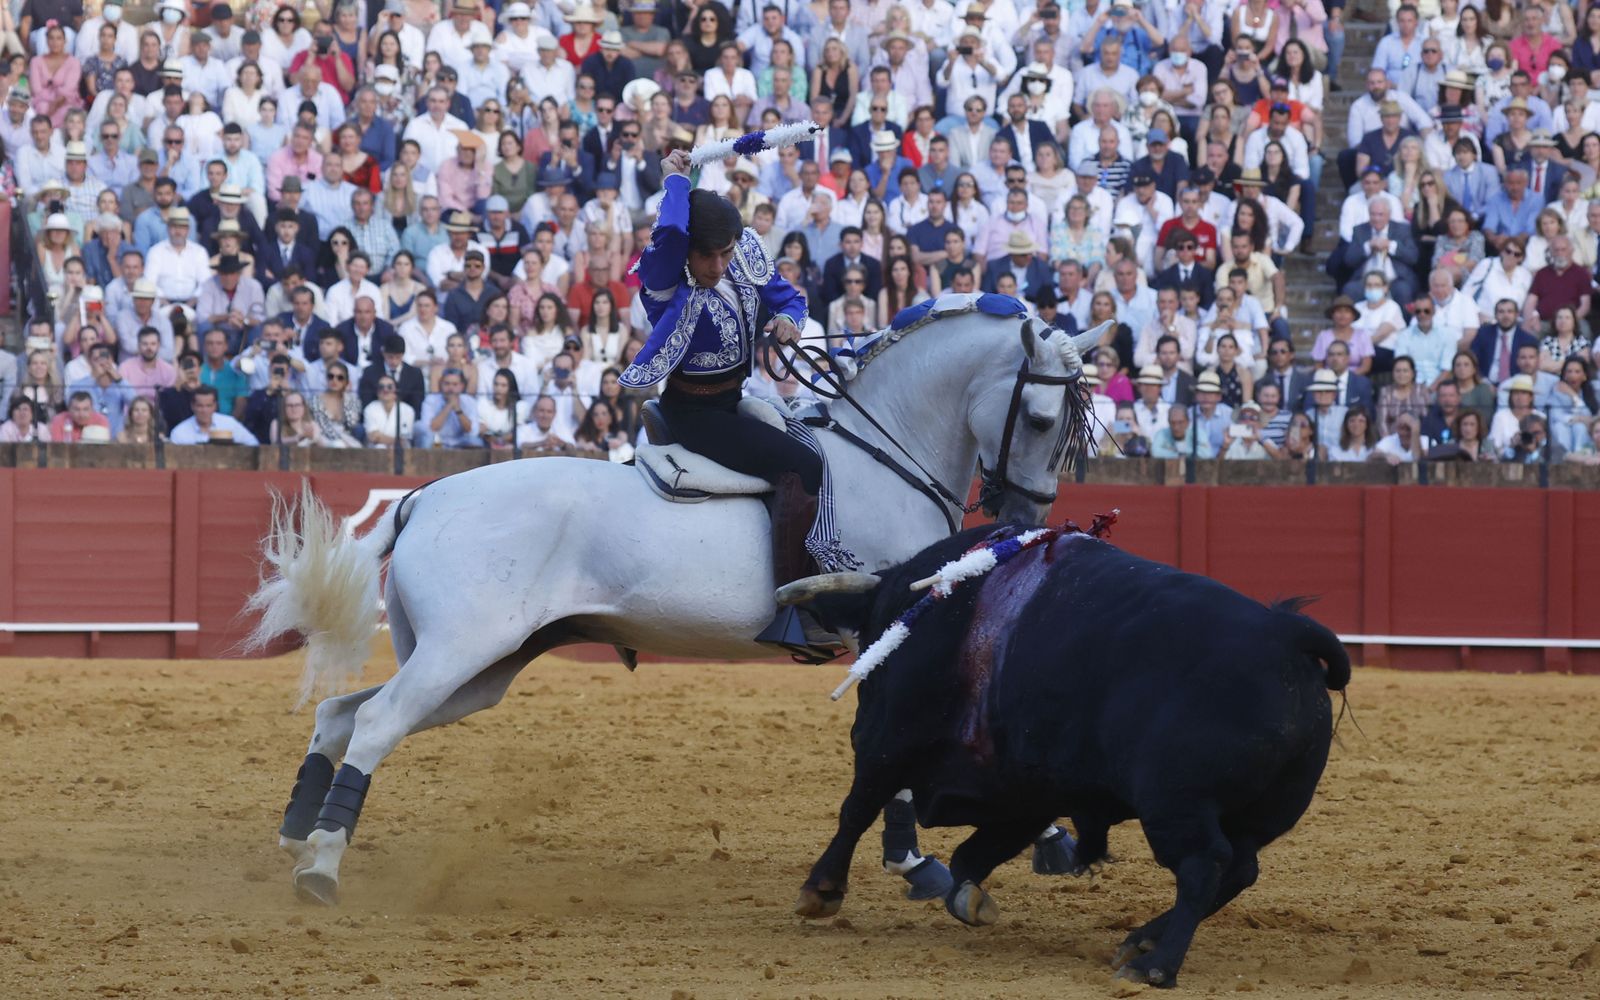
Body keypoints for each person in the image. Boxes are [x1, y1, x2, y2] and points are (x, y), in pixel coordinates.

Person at [622, 146, 820, 652]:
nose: (716, 265)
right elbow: (667, 235)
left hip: (738, 399)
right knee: (802, 465)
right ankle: (792, 607)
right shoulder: (666, 274)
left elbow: (788, 295)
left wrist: (788, 321)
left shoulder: (743, 253)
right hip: (696, 413)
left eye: (725, 253)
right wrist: (675, 181)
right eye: (705, 254)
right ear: (689, 250)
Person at [168, 383, 258, 444]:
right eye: (200, 406)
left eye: (208, 406)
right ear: (192, 406)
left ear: (215, 406)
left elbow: (253, 444)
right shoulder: (179, 432)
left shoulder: (230, 424)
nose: (204, 410)